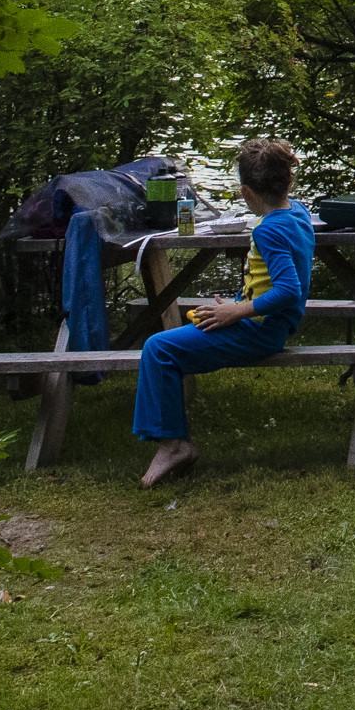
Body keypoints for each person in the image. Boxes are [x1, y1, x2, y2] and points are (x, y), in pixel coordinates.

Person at [134, 137, 310, 488]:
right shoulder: (298, 213)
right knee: (185, 325)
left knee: (158, 349)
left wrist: (236, 312)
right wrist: (235, 303)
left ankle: (173, 446)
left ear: (246, 193)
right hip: (266, 324)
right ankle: (172, 440)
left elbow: (289, 290)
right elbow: (272, 283)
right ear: (287, 181)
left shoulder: (271, 229)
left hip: (260, 332)